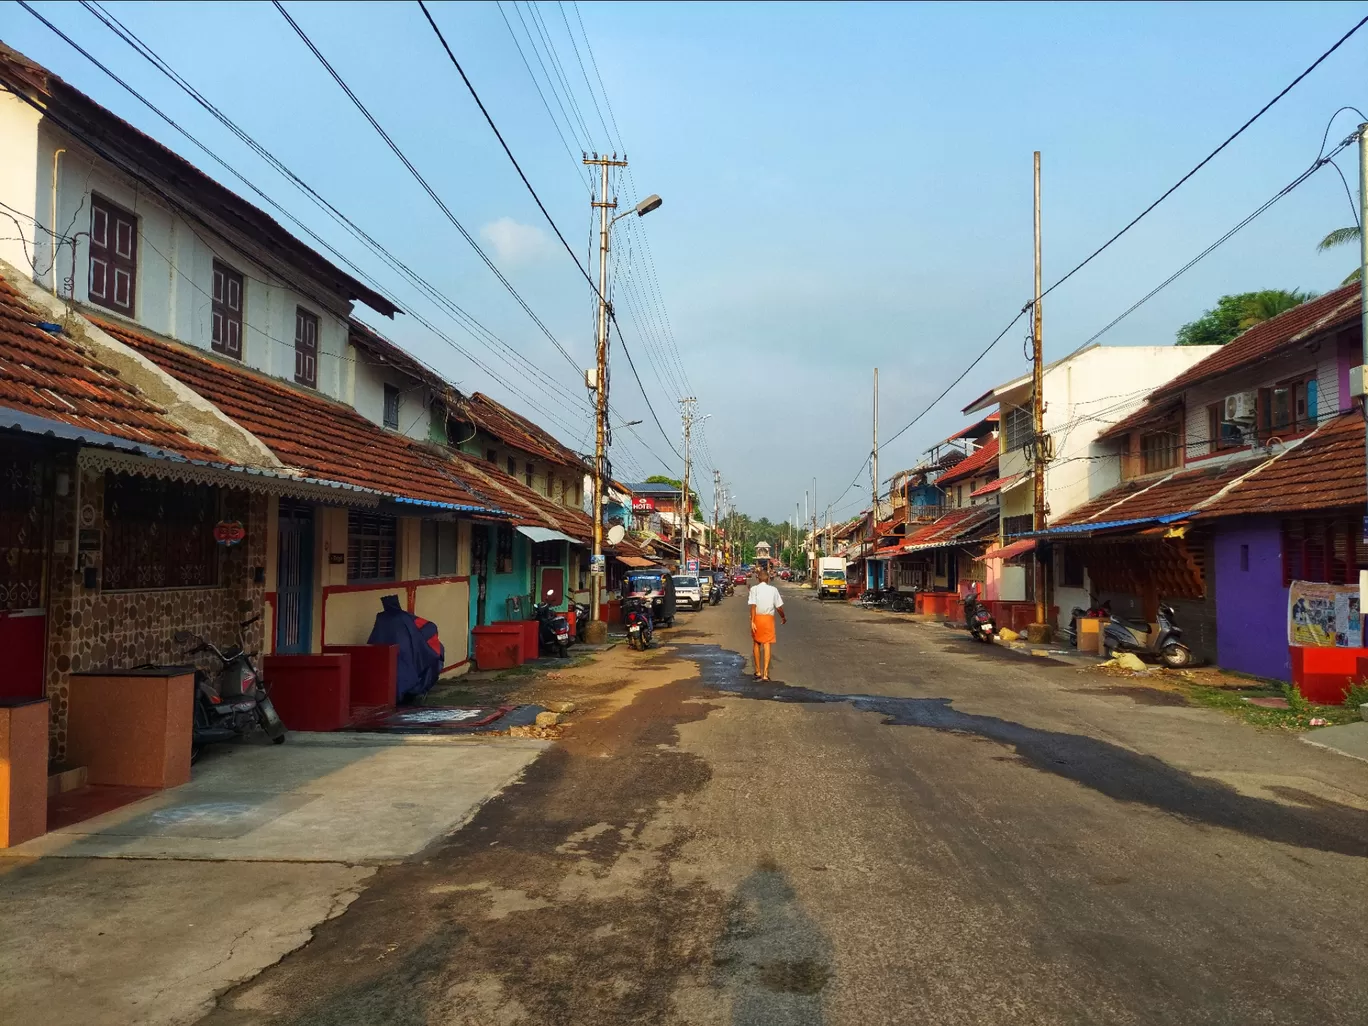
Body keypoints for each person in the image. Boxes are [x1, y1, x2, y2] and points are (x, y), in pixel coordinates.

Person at [748, 567, 786, 681]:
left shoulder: (754, 589)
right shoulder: (773, 590)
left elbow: (753, 606)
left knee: (756, 643)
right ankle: (765, 674)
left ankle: (758, 671)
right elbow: (779, 607)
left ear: (757, 578)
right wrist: (783, 617)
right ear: (768, 579)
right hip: (768, 619)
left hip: (758, 618)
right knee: (767, 643)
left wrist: (752, 622)